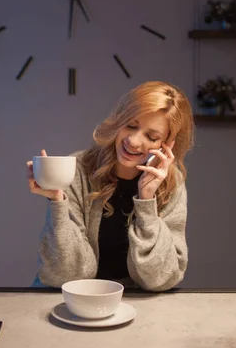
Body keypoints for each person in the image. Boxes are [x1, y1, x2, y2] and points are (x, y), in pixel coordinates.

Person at [26, 81, 194, 292]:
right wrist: (57, 202)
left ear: (169, 144)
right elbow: (67, 275)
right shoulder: (77, 170)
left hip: (135, 308)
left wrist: (146, 202)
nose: (133, 141)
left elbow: (160, 279)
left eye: (151, 137)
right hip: (69, 301)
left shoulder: (171, 184)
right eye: (130, 126)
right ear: (119, 121)